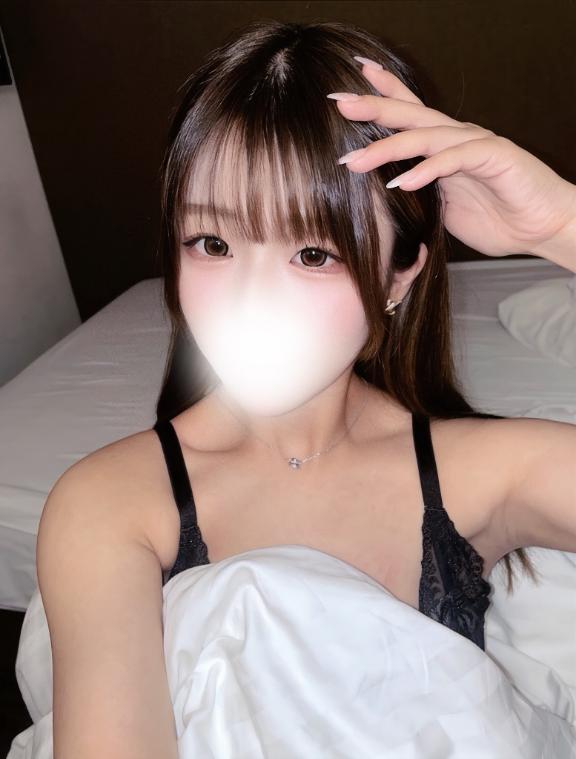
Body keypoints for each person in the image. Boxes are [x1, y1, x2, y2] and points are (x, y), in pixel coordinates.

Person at [35, 20, 576, 758]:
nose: (251, 301)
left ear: (400, 274)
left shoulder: (485, 471)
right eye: (213, 244)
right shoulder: (111, 504)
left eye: (314, 253)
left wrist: (560, 225)